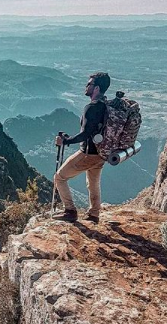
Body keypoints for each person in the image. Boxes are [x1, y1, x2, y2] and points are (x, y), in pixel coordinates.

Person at [53, 72, 110, 223]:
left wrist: (65, 141)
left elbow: (85, 134)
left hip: (88, 153)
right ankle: (94, 214)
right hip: (102, 153)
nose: (86, 87)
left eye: (89, 84)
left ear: (96, 88)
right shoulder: (106, 105)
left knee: (60, 177)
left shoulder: (91, 107)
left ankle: (70, 210)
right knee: (93, 183)